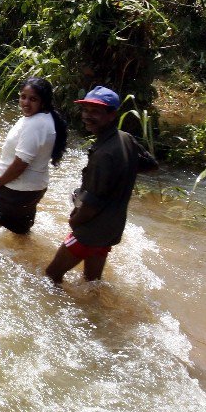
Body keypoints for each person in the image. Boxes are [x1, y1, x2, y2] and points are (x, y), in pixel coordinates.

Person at [45, 86, 158, 284]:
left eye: (95, 111)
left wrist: (74, 222)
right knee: (92, 282)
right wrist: (120, 174)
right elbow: (151, 164)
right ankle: (93, 314)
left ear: (112, 115)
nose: (87, 116)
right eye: (85, 110)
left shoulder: (104, 154)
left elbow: (91, 206)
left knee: (51, 275)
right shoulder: (125, 138)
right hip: (111, 229)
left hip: (90, 231)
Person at [0, 77, 68, 240]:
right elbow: (27, 157)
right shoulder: (44, 119)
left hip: (15, 191)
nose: (26, 102)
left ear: (44, 102)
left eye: (33, 99)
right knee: (20, 233)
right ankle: (25, 263)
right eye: (23, 97)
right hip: (32, 190)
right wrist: (1, 168)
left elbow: (21, 164)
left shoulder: (35, 125)